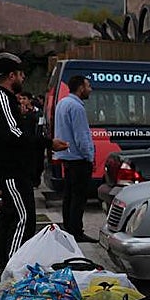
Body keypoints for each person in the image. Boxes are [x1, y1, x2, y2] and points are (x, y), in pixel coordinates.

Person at [0, 53, 66, 275]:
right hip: (9, 172)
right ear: (10, 76)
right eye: (20, 74)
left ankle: (4, 266)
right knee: (22, 217)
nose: (23, 77)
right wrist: (47, 143)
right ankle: (12, 268)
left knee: (7, 217)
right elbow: (13, 134)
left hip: (4, 170)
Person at [52, 75, 96, 242]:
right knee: (78, 198)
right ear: (80, 88)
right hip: (79, 159)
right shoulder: (77, 107)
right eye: (88, 86)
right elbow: (81, 136)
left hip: (66, 157)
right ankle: (76, 232)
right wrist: (89, 157)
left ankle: (68, 229)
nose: (90, 89)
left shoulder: (62, 103)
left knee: (69, 196)